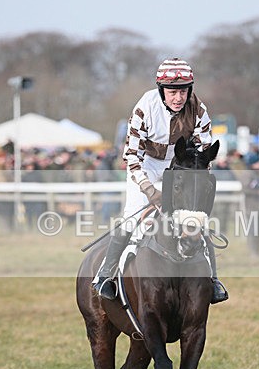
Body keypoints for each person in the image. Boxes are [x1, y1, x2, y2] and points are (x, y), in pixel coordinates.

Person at [92, 58, 228, 304]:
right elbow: (131, 155)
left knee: (196, 220)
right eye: (173, 92)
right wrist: (149, 188)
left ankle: (214, 281)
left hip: (178, 169)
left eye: (183, 91)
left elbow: (204, 152)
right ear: (161, 90)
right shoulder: (144, 108)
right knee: (132, 217)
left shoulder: (199, 110)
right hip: (145, 166)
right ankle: (106, 274)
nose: (178, 98)